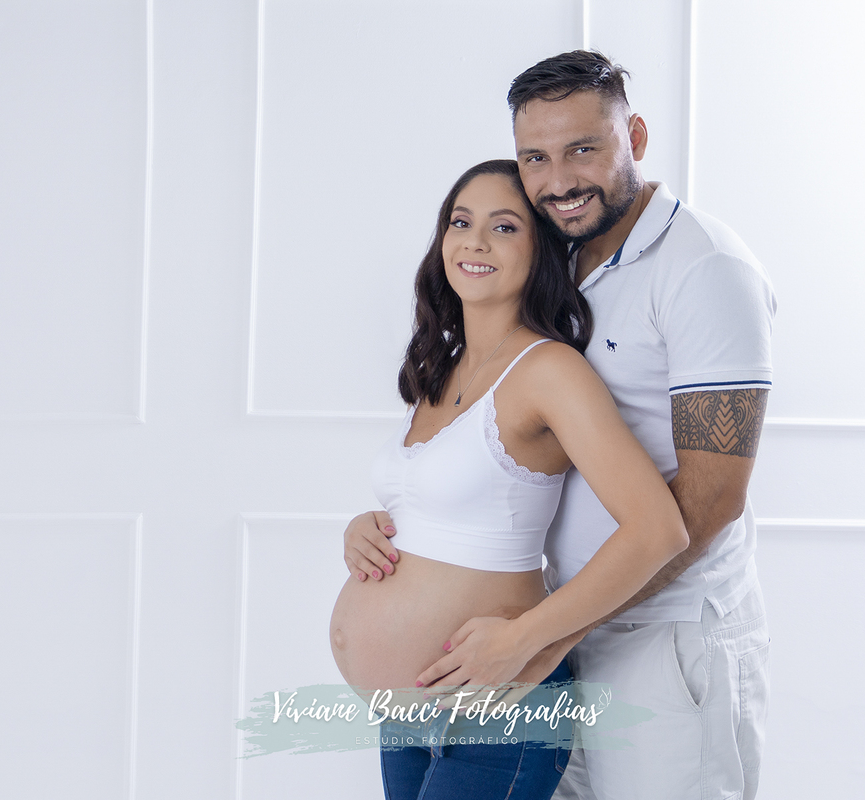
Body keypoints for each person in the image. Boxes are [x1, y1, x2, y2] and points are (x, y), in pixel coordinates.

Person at [344, 52, 778, 800]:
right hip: (558, 626)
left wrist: (543, 635)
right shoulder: (561, 256)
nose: (559, 180)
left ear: (634, 137)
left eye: (583, 149)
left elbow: (712, 500)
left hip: (663, 633)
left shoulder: (704, 269)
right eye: (535, 158)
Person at [329, 158, 689, 800]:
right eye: (460, 222)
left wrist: (525, 638)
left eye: (503, 227)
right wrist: (367, 529)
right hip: (405, 715)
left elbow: (658, 529)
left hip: (499, 702)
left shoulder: (549, 371)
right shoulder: (443, 366)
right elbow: (448, 506)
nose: (475, 242)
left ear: (540, 250)